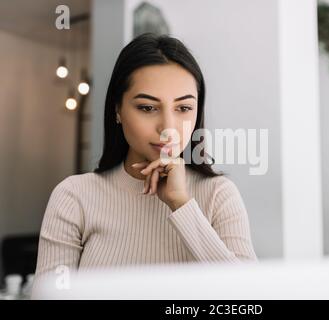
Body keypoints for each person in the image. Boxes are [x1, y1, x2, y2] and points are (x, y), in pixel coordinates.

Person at [34, 33, 258, 282]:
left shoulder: (219, 194)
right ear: (118, 109)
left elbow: (248, 298)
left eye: (183, 108)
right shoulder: (74, 197)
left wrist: (181, 205)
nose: (168, 127)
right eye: (148, 108)